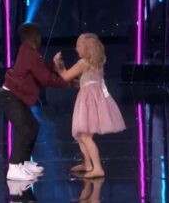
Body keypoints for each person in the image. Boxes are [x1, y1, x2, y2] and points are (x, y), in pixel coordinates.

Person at [0, 23, 70, 181]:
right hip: (10, 96)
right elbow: (44, 78)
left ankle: (23, 162)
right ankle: (14, 167)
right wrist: (66, 82)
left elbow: (41, 69)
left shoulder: (29, 51)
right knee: (24, 128)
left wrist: (53, 66)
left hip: (16, 96)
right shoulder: (28, 52)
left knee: (33, 126)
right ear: (34, 36)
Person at [53, 33, 126, 178]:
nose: (76, 48)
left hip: (88, 102)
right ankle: (87, 164)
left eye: (78, 46)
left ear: (86, 48)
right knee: (81, 135)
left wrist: (57, 64)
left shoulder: (83, 63)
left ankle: (97, 168)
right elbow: (87, 82)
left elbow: (66, 76)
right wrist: (77, 83)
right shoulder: (96, 64)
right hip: (93, 100)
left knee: (86, 136)